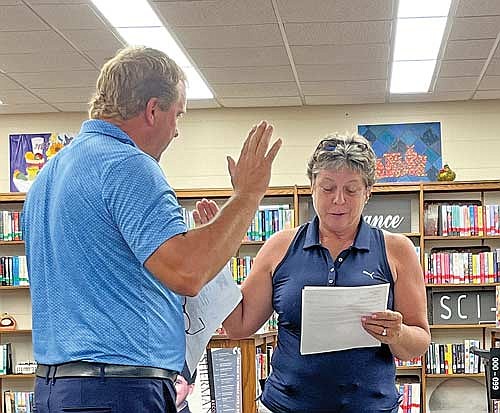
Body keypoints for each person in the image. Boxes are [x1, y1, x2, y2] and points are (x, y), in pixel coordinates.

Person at [22, 46, 281, 413]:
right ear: (153, 109)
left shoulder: (49, 175)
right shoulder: (127, 165)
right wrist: (249, 194)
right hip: (115, 389)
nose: (176, 131)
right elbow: (187, 272)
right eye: (177, 115)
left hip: (57, 387)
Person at [220, 133, 431, 412]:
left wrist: (397, 334)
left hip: (370, 406)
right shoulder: (280, 247)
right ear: (312, 187)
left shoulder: (397, 250)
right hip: (286, 405)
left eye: (352, 190)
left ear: (368, 192)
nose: (338, 200)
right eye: (327, 188)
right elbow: (239, 326)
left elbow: (418, 343)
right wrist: (214, 261)